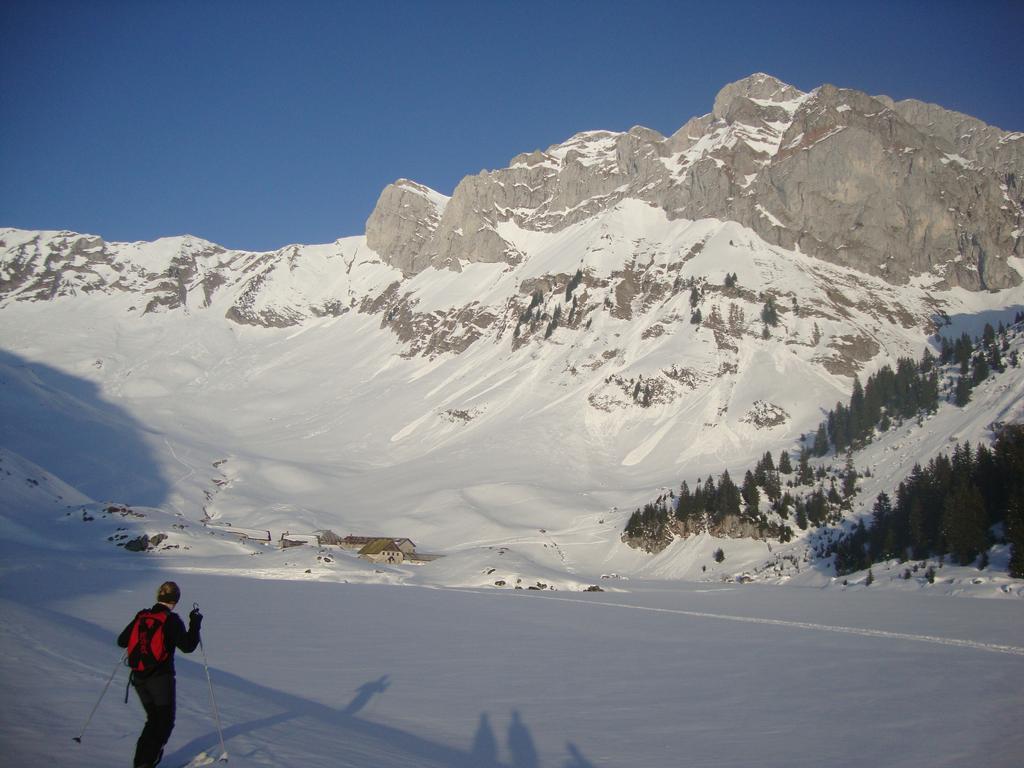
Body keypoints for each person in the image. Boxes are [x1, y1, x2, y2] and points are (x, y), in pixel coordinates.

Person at [118, 581, 202, 768]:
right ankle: (146, 762)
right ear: (175, 600)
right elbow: (188, 646)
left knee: (153, 720)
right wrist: (195, 624)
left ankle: (142, 761)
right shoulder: (171, 620)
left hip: (139, 677)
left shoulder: (143, 616)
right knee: (164, 721)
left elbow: (122, 641)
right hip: (160, 679)